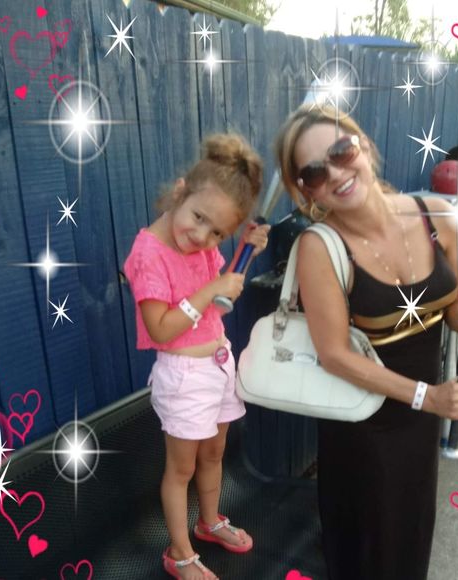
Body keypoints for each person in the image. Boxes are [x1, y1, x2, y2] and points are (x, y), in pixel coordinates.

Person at [275, 106, 458, 580]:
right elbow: (334, 355)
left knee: (410, 541)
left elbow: (455, 305)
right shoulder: (319, 247)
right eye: (314, 172)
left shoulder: (438, 216)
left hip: (420, 426)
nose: (335, 173)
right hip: (361, 431)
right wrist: (427, 396)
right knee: (367, 553)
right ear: (306, 191)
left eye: (341, 151)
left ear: (365, 146)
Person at [124, 133, 270, 580]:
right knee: (182, 467)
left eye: (218, 233)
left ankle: (209, 522)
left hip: (218, 363)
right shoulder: (149, 252)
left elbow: (216, 302)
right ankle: (179, 553)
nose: (203, 237)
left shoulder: (202, 245)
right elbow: (160, 328)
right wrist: (211, 290)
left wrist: (244, 251)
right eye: (199, 218)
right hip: (184, 375)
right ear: (180, 191)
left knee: (215, 452)